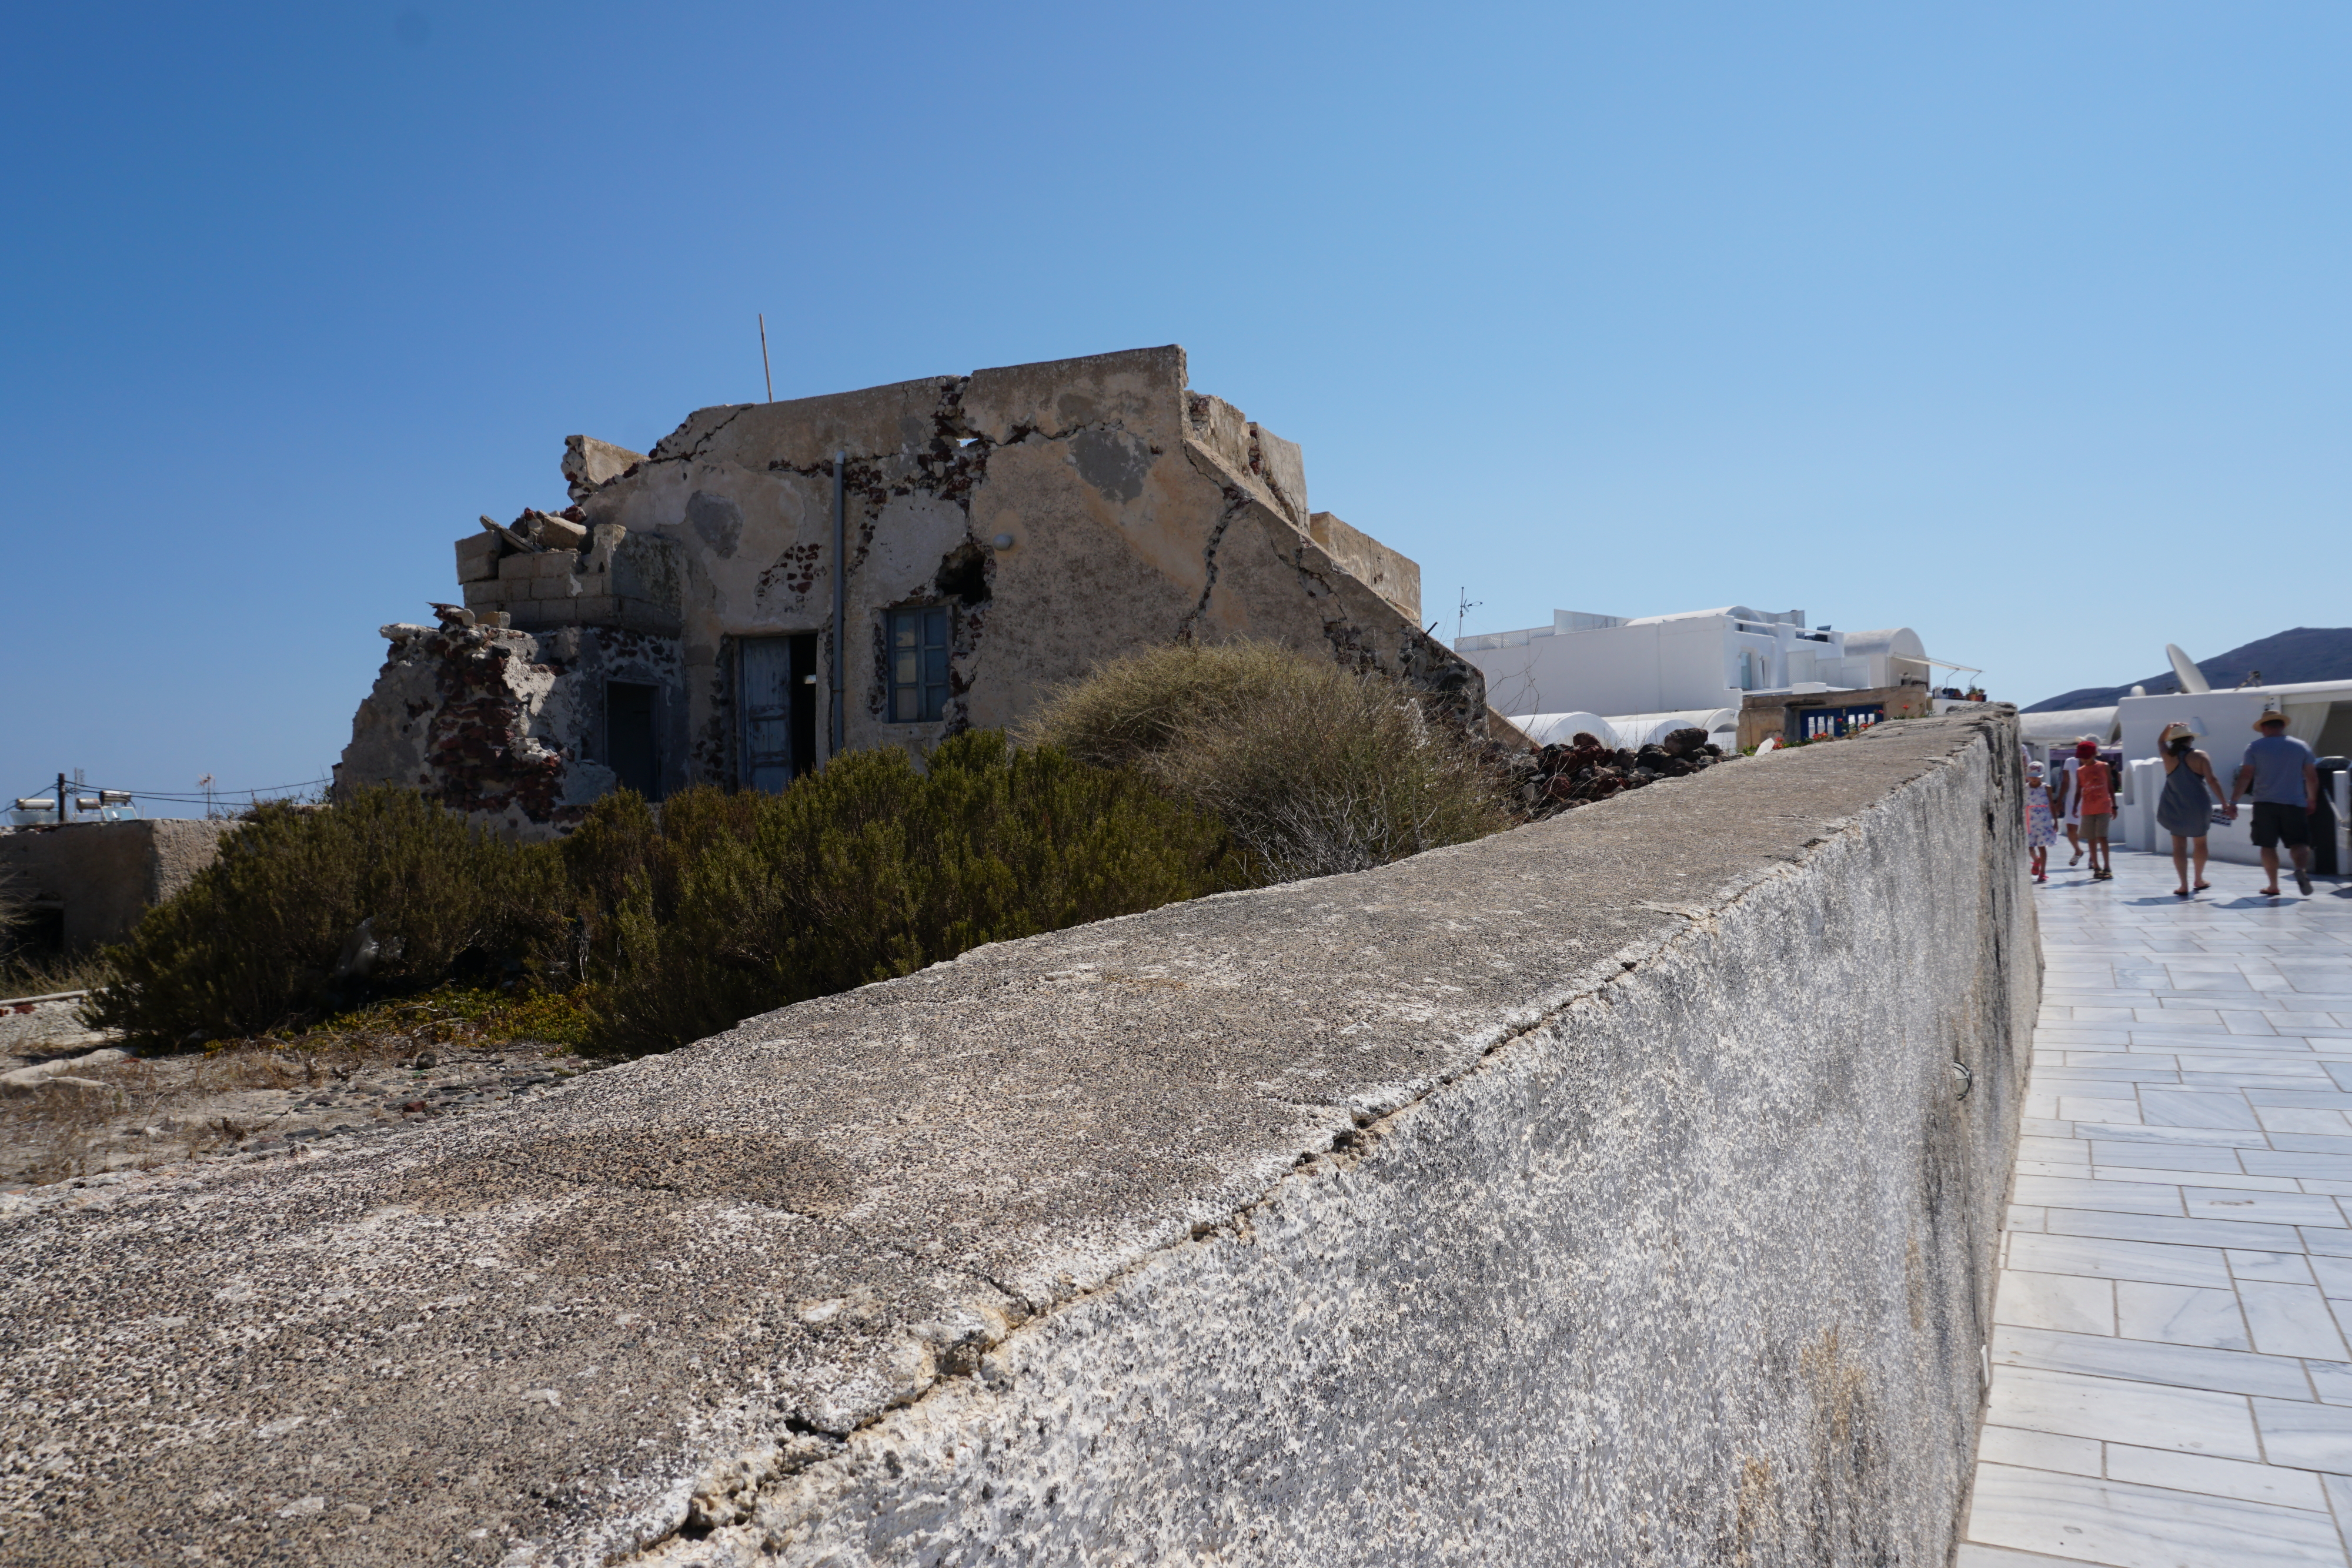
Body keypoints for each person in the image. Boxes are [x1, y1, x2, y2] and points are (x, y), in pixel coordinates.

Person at [2229, 704, 2321, 897]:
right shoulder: (2301, 746)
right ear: (2282, 726)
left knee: (2267, 844)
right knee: (2299, 841)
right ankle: (2300, 870)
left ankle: (2273, 885)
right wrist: (2312, 799)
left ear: (2264, 728)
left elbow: (2246, 776)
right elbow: (2312, 777)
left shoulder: (2254, 747)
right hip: (2294, 802)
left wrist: (2234, 801)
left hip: (2265, 803)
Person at [2154, 721, 2226, 897]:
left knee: (2178, 845)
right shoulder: (2200, 756)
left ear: (2174, 740)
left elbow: (2160, 741)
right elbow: (2212, 780)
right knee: (2200, 843)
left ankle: (2183, 884)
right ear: (2190, 739)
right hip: (2198, 804)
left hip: (2174, 802)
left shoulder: (2167, 755)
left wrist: (2169, 726)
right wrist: (2225, 803)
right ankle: (2199, 879)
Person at [2064, 738, 2117, 880]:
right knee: (2091, 839)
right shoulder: (2080, 771)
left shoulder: (2104, 766)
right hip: (2087, 808)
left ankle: (2107, 867)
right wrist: (2075, 807)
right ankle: (2096, 867)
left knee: (2103, 837)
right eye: (2082, 758)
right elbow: (2078, 790)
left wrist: (2114, 805)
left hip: (2104, 807)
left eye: (2087, 757)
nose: (2084, 760)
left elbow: (2110, 787)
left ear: (2094, 754)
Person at [2024, 761, 2056, 883]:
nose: (2034, 778)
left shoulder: (2046, 788)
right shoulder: (2025, 788)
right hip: (2029, 820)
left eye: (2037, 776)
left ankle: (2043, 872)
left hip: (2044, 820)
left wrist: (2055, 821)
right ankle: (2036, 860)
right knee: (2030, 846)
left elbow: (2051, 804)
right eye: (2032, 776)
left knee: (2042, 847)